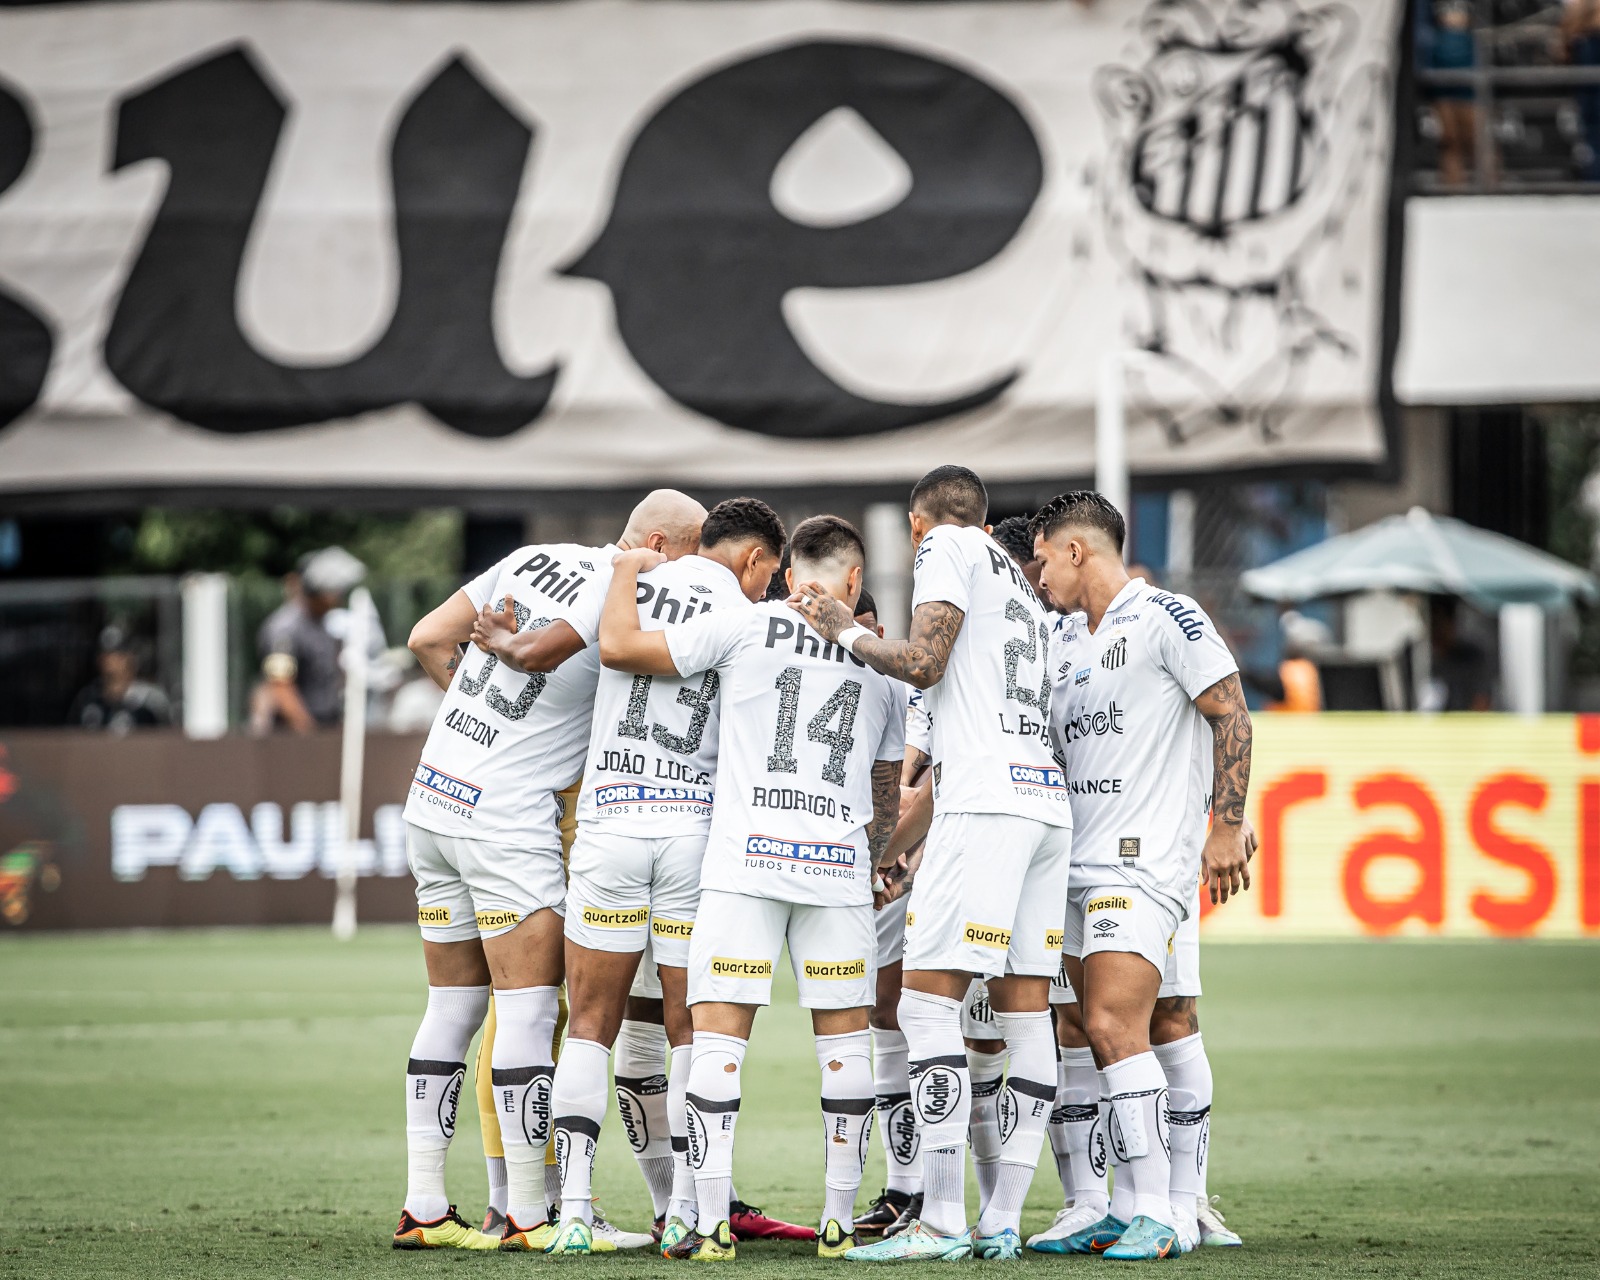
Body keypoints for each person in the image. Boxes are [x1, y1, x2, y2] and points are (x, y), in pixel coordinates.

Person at [390, 490, 705, 1252]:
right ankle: (530, 1215)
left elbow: (427, 637)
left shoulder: (534, 558)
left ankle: (425, 1206)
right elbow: (536, 654)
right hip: (505, 819)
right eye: (693, 557)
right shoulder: (623, 584)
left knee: (452, 1008)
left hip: (435, 794)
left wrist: (490, 724)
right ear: (658, 547)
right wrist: (518, 726)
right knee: (531, 1012)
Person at [599, 515, 906, 1261]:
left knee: (717, 1040)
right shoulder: (880, 665)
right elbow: (885, 788)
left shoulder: (743, 623)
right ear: (855, 581)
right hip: (836, 868)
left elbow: (625, 649)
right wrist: (873, 861)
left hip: (745, 865)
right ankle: (838, 1222)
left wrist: (624, 571)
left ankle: (706, 1222)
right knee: (844, 1044)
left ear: (788, 574)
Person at [489, 498, 784, 1256]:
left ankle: (574, 1212)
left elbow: (571, 654)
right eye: (768, 574)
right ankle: (683, 1209)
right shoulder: (745, 616)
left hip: (610, 825)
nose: (767, 587)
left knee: (591, 1024)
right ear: (751, 559)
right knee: (690, 1029)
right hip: (691, 835)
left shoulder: (629, 583)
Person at [792, 466, 1073, 1263]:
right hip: (1043, 803)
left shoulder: (947, 546)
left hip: (985, 803)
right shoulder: (1019, 585)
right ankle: (1001, 1220)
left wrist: (844, 629)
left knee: (922, 1007)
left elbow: (924, 661)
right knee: (1027, 1016)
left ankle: (942, 1218)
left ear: (919, 524)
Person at [1030, 490, 1253, 1260]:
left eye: (1044, 558)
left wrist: (1228, 823)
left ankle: (1167, 1210)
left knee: (1122, 1024)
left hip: (1142, 860)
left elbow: (1231, 712)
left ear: (1077, 550)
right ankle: (1115, 1207)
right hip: (1068, 865)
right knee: (1080, 1030)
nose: (1039, 574)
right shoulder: (1059, 638)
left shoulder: (1168, 616)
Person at [251, 546, 366, 733]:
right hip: (293, 735)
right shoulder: (285, 629)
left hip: (326, 725)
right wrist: (309, 733)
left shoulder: (322, 622)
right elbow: (281, 686)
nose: (338, 595)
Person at [67, 625, 171, 731]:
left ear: (131, 658)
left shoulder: (150, 699)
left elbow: (167, 734)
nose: (111, 661)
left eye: (119, 655)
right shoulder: (87, 698)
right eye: (107, 655)